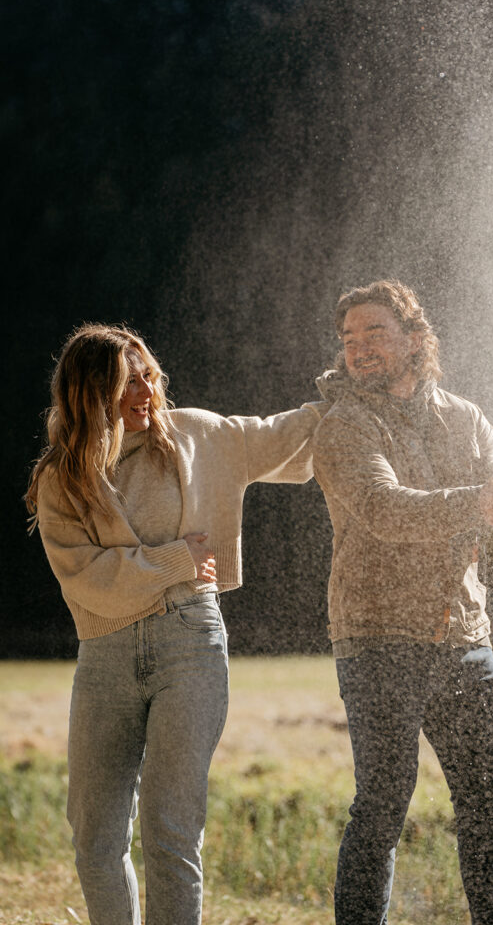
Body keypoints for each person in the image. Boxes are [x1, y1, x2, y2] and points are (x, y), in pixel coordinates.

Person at [25, 322, 323, 925]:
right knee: (95, 837)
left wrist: (340, 395)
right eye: (125, 382)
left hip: (190, 641)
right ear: (88, 393)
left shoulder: (194, 435)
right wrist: (175, 558)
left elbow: (281, 437)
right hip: (104, 654)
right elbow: (85, 577)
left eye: (148, 376)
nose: (144, 391)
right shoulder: (62, 477)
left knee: (171, 828)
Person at [312, 280, 493, 925]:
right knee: (382, 805)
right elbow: (385, 510)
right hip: (376, 637)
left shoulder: (466, 417)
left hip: (465, 640)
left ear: (414, 337)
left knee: (490, 806)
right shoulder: (344, 424)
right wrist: (477, 505)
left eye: (374, 333)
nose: (359, 349)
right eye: (349, 339)